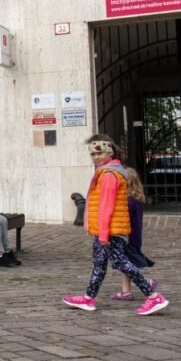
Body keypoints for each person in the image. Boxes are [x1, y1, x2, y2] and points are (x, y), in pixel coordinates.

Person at [63, 135, 168, 315]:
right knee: (99, 264)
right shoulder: (108, 172)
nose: (96, 158)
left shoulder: (110, 174)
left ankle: (153, 296)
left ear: (109, 153)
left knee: (121, 262)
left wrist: (103, 234)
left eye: (100, 154)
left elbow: (106, 206)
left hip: (111, 231)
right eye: (93, 155)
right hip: (106, 230)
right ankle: (89, 298)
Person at [111, 166, 156, 301]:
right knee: (126, 265)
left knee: (125, 264)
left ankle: (146, 283)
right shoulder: (137, 199)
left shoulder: (127, 201)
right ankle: (126, 291)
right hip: (135, 237)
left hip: (127, 237)